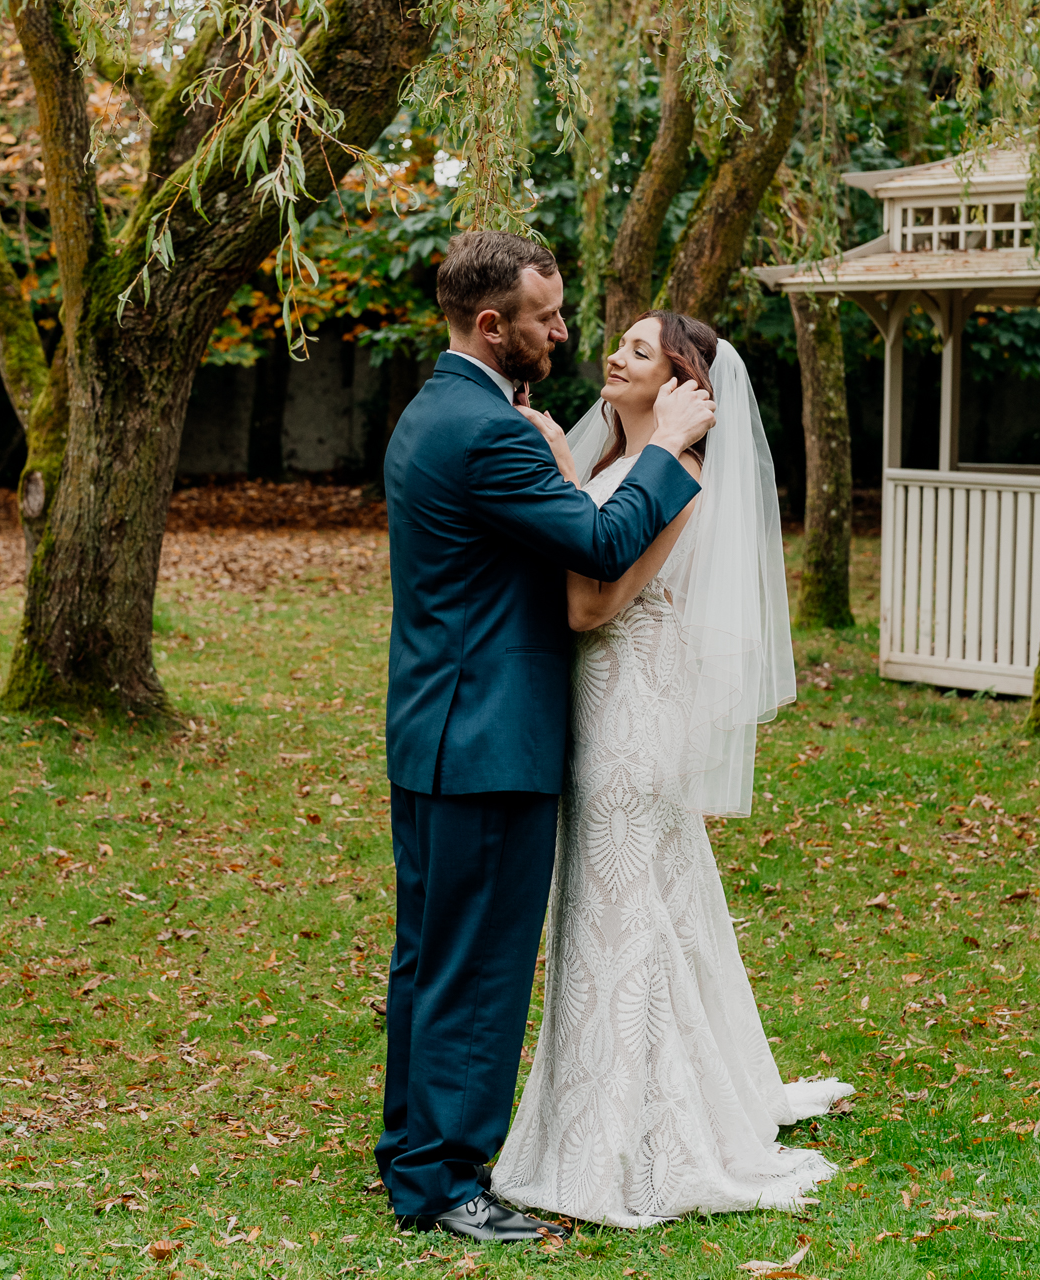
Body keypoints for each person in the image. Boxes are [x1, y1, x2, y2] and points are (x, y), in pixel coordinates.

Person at [378, 233, 717, 1243]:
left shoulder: (431, 410)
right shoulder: (495, 433)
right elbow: (604, 544)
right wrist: (665, 450)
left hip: (435, 733)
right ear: (494, 324)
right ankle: (445, 1180)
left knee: (427, 958)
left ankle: (409, 1153)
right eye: (548, 315)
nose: (564, 332)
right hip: (491, 741)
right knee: (477, 968)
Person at [491, 311, 854, 1228]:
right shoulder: (633, 464)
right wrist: (571, 471)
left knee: (613, 930)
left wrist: (565, 473)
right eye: (618, 342)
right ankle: (655, 1104)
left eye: (640, 351)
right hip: (609, 722)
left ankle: (614, 1145)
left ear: (687, 384)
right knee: (647, 918)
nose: (613, 355)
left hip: (626, 731)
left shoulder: (679, 477)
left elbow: (589, 604)